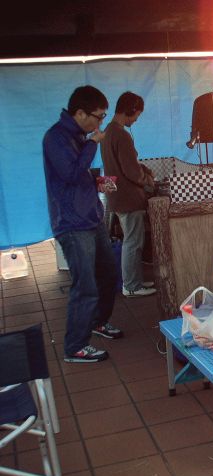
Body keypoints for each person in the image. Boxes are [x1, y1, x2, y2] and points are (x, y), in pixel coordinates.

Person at [43, 86, 122, 363]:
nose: (100, 124)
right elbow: (70, 174)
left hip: (91, 217)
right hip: (72, 223)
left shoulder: (77, 136)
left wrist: (97, 183)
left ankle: (98, 322)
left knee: (108, 274)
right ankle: (75, 346)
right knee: (85, 285)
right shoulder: (55, 137)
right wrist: (93, 143)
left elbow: (79, 176)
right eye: (98, 117)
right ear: (80, 113)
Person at [101, 91, 156, 298]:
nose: (136, 120)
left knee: (130, 241)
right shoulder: (122, 135)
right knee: (133, 243)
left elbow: (117, 166)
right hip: (128, 198)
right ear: (131, 110)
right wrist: (147, 179)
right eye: (137, 115)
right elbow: (131, 172)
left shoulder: (107, 132)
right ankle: (132, 286)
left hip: (116, 196)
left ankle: (134, 281)